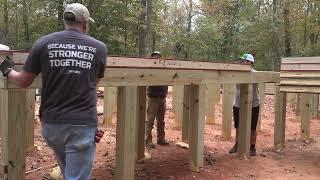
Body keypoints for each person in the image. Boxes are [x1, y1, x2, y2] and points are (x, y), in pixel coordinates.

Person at [0, 3, 107, 179]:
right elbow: (93, 84)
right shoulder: (99, 48)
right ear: (85, 23)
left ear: (65, 20)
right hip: (82, 125)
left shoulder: (43, 43)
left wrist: (6, 69)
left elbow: (23, 81)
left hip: (52, 126)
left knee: (68, 172)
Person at [229, 53, 260, 156]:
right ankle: (237, 144)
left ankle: (252, 147)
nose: (242, 62)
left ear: (250, 62)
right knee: (238, 127)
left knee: (252, 128)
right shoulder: (238, 73)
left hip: (253, 104)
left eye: (244, 61)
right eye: (241, 60)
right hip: (238, 103)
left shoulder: (255, 73)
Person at [145, 51, 169, 148]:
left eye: (158, 57)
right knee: (150, 120)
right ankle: (148, 140)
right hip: (153, 98)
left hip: (162, 98)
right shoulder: (150, 69)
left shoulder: (164, 70)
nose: (157, 59)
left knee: (161, 120)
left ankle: (161, 138)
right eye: (154, 57)